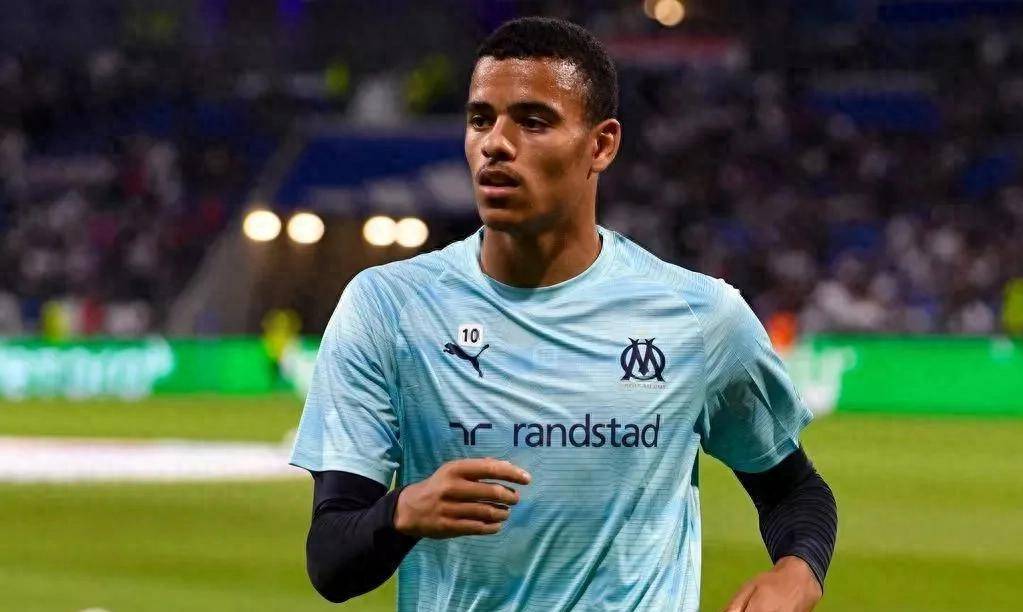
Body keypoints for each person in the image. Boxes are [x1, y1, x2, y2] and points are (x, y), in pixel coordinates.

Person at [289, 16, 837, 612]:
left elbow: (794, 491)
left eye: (533, 121)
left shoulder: (699, 318)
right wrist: (401, 512)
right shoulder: (386, 308)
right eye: (481, 119)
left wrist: (798, 571)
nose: (496, 143)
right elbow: (330, 560)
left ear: (601, 145)